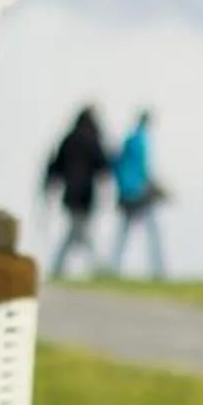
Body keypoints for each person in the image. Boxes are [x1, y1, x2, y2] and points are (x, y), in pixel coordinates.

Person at [41, 106, 110, 280]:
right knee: (81, 232)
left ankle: (59, 268)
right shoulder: (93, 139)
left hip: (70, 194)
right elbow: (103, 165)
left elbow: (56, 166)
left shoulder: (69, 139)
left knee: (76, 232)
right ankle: (99, 268)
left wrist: (49, 189)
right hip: (86, 194)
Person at [112, 108, 169, 280]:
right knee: (152, 232)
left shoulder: (129, 139)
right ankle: (159, 270)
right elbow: (143, 169)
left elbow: (117, 165)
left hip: (127, 192)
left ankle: (112, 267)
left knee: (123, 234)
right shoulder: (140, 140)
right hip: (138, 193)